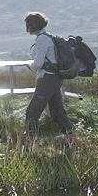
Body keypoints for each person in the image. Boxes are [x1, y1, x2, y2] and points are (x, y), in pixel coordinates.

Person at [24, 12, 76, 145]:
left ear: (32, 25)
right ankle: (71, 137)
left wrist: (29, 66)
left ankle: (30, 142)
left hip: (47, 78)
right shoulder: (48, 37)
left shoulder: (42, 39)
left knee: (32, 112)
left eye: (28, 24)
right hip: (55, 78)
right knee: (57, 111)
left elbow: (38, 64)